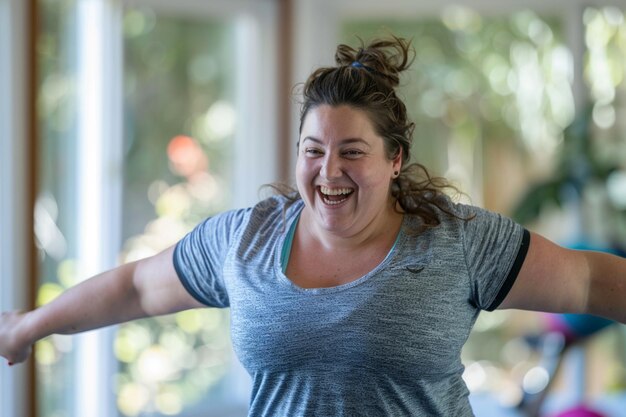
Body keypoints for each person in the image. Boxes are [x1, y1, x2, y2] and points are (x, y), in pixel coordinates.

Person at [1, 36, 625, 417]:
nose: (330, 171)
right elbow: (137, 287)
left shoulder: (456, 241)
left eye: (353, 151)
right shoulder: (244, 241)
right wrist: (28, 326)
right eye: (313, 149)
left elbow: (593, 282)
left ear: (394, 159)